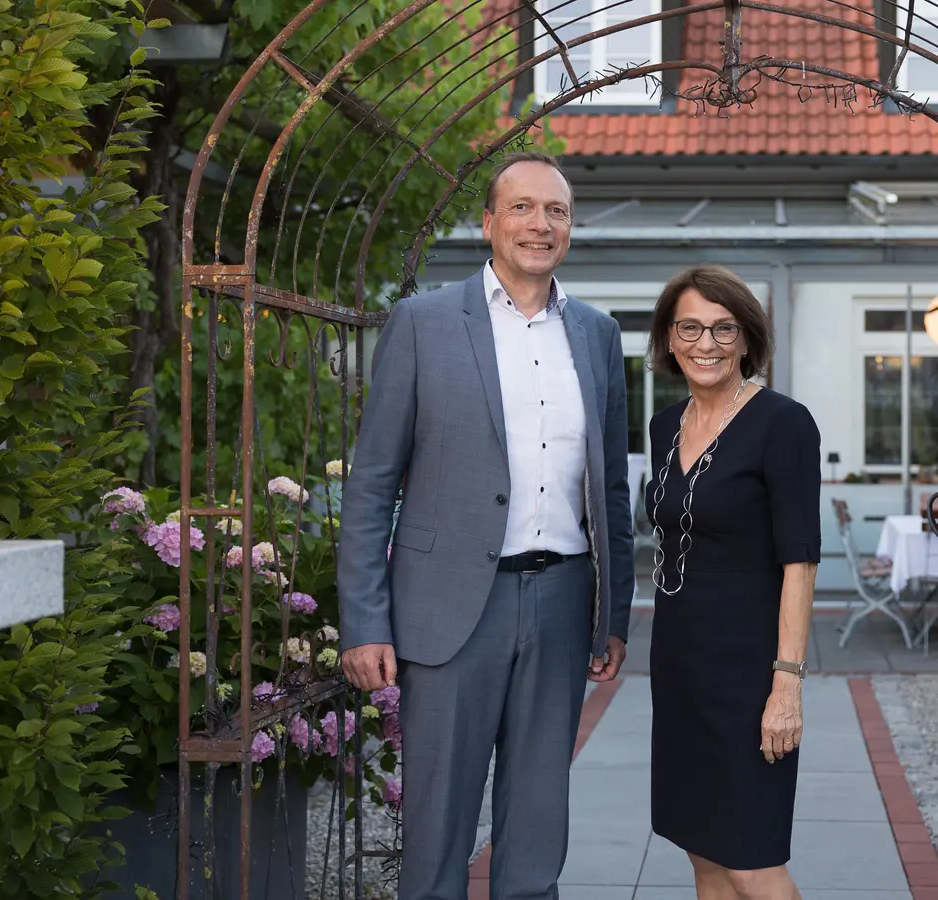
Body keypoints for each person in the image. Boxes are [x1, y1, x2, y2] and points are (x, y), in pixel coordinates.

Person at [337, 150, 635, 900]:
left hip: (564, 602)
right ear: (489, 223)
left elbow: (610, 487)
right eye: (524, 208)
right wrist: (365, 620)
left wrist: (613, 615)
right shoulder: (423, 323)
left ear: (571, 228)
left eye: (557, 211)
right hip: (447, 608)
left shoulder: (597, 335)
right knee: (437, 826)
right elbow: (372, 484)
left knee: (538, 823)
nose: (541, 224)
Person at [645, 265, 821, 899]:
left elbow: (800, 561)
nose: (706, 343)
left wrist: (787, 685)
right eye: (689, 327)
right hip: (680, 665)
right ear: (668, 338)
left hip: (750, 673)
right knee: (704, 852)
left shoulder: (784, 423)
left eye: (724, 329)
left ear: (747, 339)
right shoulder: (665, 427)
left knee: (751, 860)